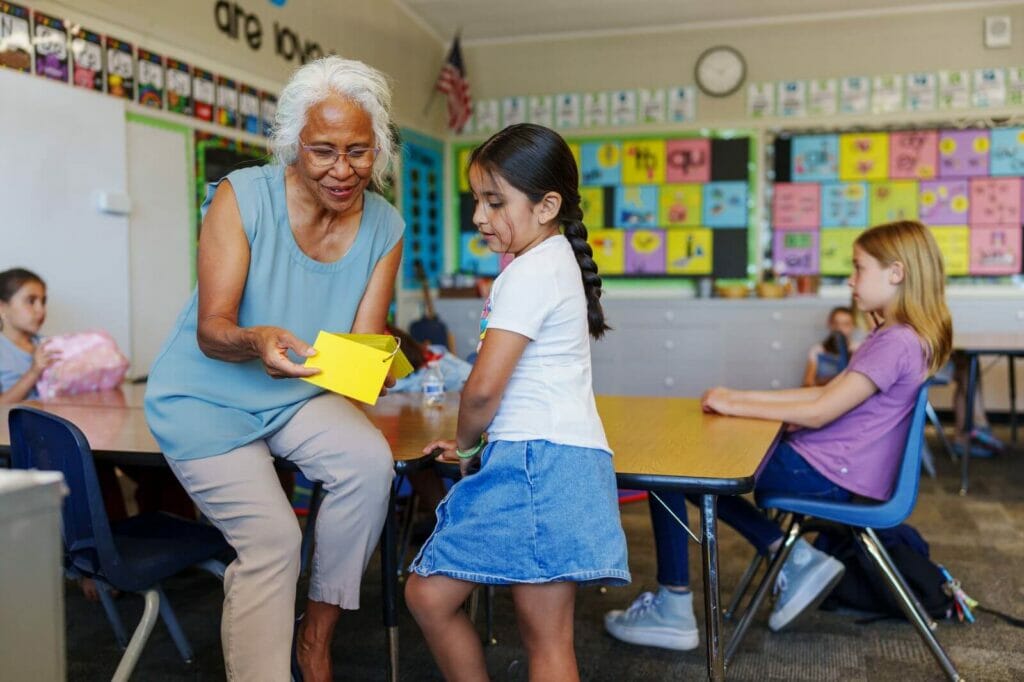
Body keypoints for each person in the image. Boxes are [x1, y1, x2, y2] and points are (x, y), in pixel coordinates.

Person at [144, 57, 403, 682]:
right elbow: (213, 330)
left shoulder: (385, 225)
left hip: (296, 393)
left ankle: (316, 635)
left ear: (378, 151)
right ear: (293, 145)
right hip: (204, 397)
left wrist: (380, 365)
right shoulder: (242, 196)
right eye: (323, 151)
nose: (343, 170)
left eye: (359, 152)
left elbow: (365, 342)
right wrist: (256, 339)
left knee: (371, 464)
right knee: (274, 542)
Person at [605, 220, 952, 649]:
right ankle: (792, 556)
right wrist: (742, 398)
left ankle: (675, 604)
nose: (850, 278)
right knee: (692, 467)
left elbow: (822, 410)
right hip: (836, 472)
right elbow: (827, 395)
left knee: (668, 469)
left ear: (896, 273)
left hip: (823, 475)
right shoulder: (903, 338)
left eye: (859, 268)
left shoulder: (895, 342)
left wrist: (738, 404)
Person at [405, 124, 629, 682]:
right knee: (547, 640)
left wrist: (465, 447)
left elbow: (482, 388)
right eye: (477, 200)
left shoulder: (530, 271)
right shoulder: (550, 262)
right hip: (557, 459)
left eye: (495, 201)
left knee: (431, 597)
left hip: (538, 463)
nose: (480, 216)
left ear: (548, 205)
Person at [0, 268, 59, 403]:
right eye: (31, 301)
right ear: (2, 307)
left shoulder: (46, 344)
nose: (41, 310)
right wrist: (34, 371)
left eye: (43, 301)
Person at [801, 305, 863, 387]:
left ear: (853, 326)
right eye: (836, 323)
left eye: (845, 324)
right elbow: (807, 383)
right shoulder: (818, 350)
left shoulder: (861, 349)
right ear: (829, 324)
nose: (840, 328)